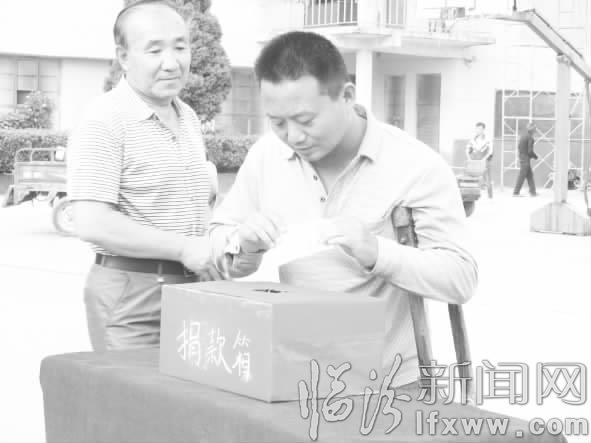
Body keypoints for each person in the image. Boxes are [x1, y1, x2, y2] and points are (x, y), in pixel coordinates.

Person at [209, 31, 478, 387]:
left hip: (389, 383)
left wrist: (377, 252)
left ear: (347, 96)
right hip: (295, 375)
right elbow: (218, 241)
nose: (293, 136)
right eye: (278, 122)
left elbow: (460, 277)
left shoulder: (415, 166)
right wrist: (243, 245)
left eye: (306, 120)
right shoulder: (266, 156)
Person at [67, 0, 222, 352]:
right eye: (155, 50)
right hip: (132, 296)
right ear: (123, 57)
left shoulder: (188, 117)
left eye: (180, 47)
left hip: (192, 290)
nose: (172, 62)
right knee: (134, 388)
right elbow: (92, 222)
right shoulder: (104, 120)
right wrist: (184, 248)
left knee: (189, 388)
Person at [466, 121, 493, 198]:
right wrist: (469, 158)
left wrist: (484, 159)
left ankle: (490, 197)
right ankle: (472, 196)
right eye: (477, 129)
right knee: (472, 178)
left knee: (487, 179)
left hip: (485, 161)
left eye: (480, 129)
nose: (478, 130)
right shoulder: (473, 139)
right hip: (475, 161)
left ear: (483, 129)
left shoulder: (487, 139)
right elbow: (467, 149)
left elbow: (490, 152)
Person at [513, 123, 538, 197]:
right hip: (526, 159)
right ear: (533, 130)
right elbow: (530, 151)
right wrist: (535, 157)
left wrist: (522, 155)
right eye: (535, 129)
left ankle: (533, 192)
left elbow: (519, 147)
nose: (535, 131)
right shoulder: (530, 138)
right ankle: (516, 192)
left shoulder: (523, 136)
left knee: (530, 175)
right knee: (522, 176)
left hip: (522, 157)